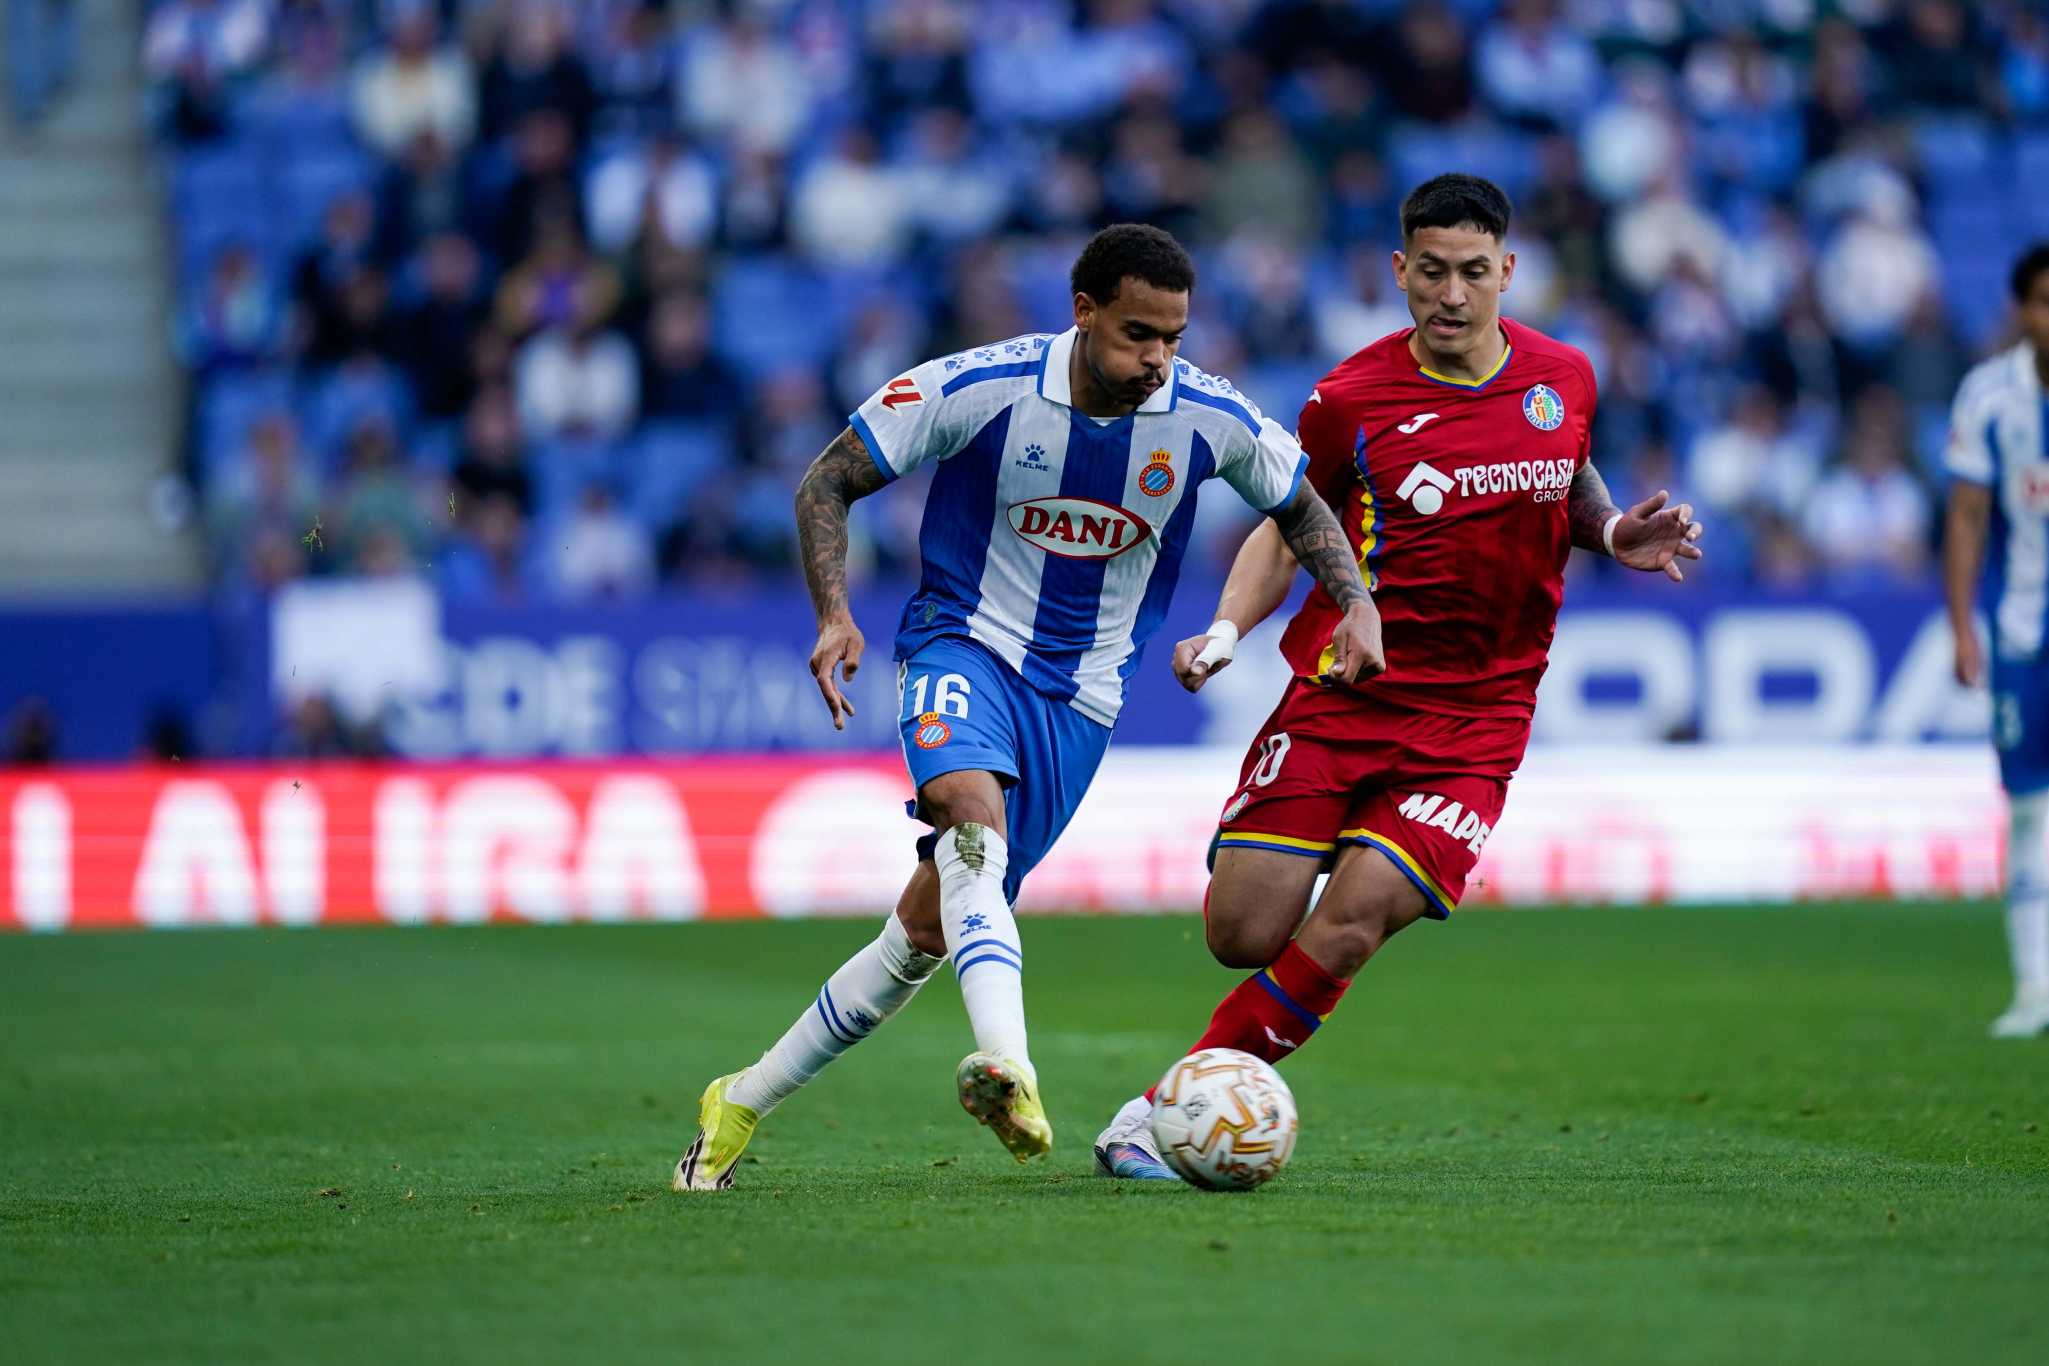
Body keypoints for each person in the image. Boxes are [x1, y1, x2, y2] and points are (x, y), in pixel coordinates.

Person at [674, 224, 1381, 1190]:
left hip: (1082, 699)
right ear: (1081, 311)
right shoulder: (976, 387)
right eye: (1137, 334)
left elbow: (1301, 506)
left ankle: (742, 1097)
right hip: (960, 644)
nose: (1156, 360)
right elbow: (828, 479)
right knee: (971, 818)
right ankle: (1010, 1066)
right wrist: (835, 615)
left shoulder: (1207, 415)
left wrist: (1357, 600)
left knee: (924, 931)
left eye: (1172, 337)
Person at [1090, 175, 1705, 1179]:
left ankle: (1161, 1112)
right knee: (1242, 931)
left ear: (1508, 271)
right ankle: (1325, 861)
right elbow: (1289, 530)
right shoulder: (1348, 401)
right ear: (1398, 272)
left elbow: (1570, 468)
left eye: (1474, 272)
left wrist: (1609, 529)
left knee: (1355, 920)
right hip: (1342, 696)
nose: (1453, 294)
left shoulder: (1566, 377)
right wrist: (1227, 630)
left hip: (1479, 718)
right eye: (1431, 272)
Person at [1943, 242, 2049, 1040]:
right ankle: (2033, 989)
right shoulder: (1988, 396)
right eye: (2042, 301)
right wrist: (1959, 627)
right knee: (2025, 811)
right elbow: (1967, 519)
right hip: (2023, 633)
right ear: (2021, 310)